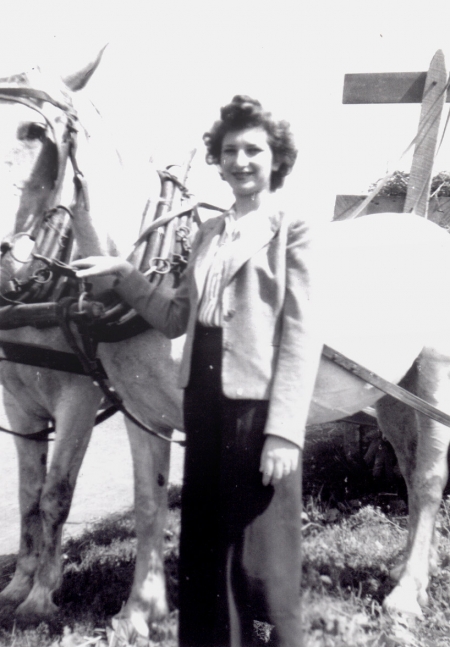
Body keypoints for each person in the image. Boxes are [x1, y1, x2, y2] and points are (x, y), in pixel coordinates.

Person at [72, 95, 323, 647]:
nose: (240, 161)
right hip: (203, 395)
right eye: (229, 150)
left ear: (276, 156)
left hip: (256, 404)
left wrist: (284, 431)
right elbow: (174, 318)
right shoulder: (209, 232)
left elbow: (302, 335)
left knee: (263, 545)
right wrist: (122, 274)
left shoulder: (292, 226)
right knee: (206, 538)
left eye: (253, 149)